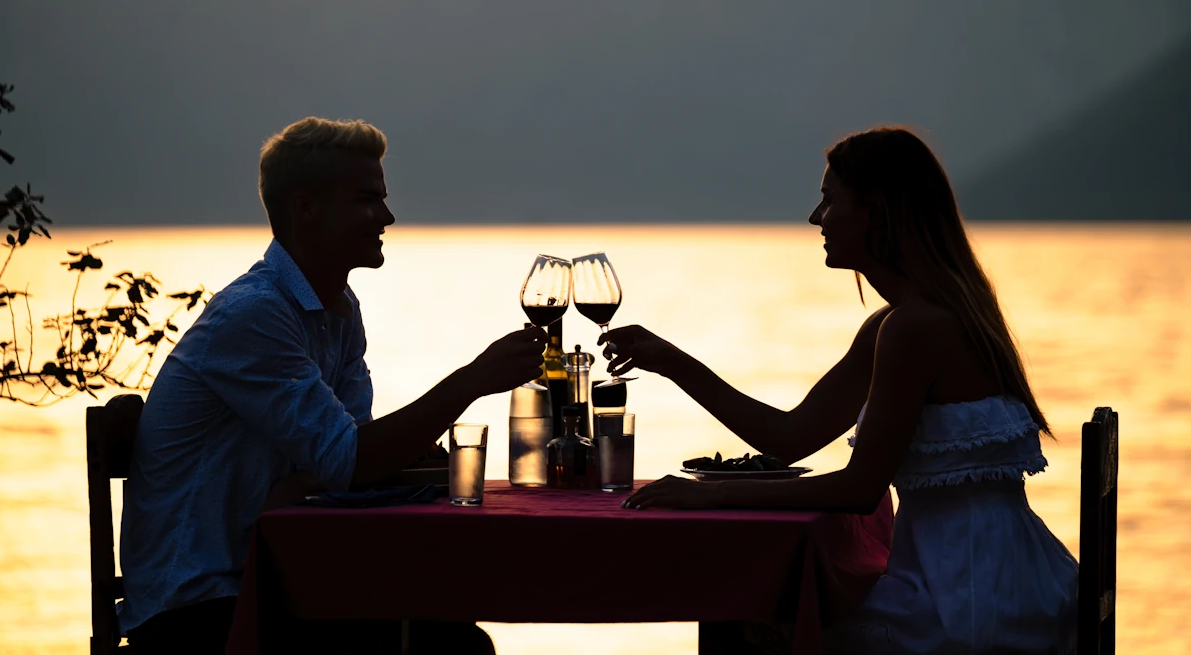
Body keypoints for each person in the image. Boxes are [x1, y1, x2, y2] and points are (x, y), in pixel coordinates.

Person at [601, 127, 1078, 654]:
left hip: (966, 600)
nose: (814, 217)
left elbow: (859, 488)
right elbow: (790, 436)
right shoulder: (902, 322)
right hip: (1002, 573)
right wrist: (670, 361)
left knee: (746, 619)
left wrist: (709, 493)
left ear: (876, 210)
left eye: (830, 200)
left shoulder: (911, 329)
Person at [119, 117, 545, 654]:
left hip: (282, 583)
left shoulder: (338, 312)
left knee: (454, 632)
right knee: (453, 648)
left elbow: (347, 466)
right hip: (199, 612)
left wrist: (360, 469)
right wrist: (473, 381)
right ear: (306, 209)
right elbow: (350, 461)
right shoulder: (254, 315)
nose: (388, 217)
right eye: (368, 200)